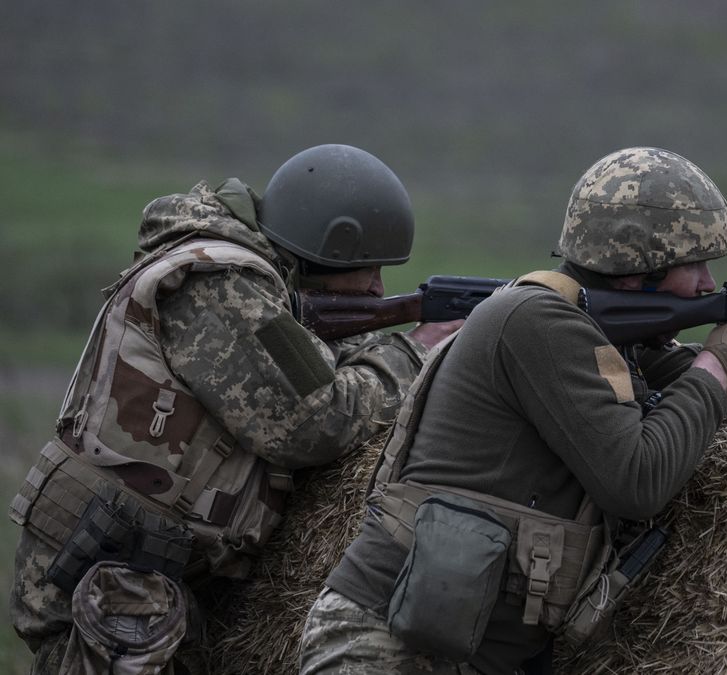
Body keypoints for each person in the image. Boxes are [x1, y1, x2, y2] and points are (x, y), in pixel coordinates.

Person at [298, 147, 727, 675]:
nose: (710, 284)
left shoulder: (611, 338)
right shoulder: (536, 321)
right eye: (695, 264)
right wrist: (715, 363)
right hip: (384, 649)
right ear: (635, 267)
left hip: (459, 650)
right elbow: (638, 475)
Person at [7, 143, 461, 673]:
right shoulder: (218, 284)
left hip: (148, 575)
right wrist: (416, 349)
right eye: (368, 267)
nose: (379, 287)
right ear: (327, 248)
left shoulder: (247, 285)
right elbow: (313, 422)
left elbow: (307, 370)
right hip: (114, 586)